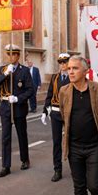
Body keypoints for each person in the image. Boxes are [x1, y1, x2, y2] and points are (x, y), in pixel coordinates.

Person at [59, 56, 98, 195]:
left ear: (85, 71)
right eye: (69, 68)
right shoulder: (64, 91)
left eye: (74, 68)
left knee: (94, 185)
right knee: (79, 186)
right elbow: (64, 115)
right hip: (74, 147)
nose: (70, 71)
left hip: (95, 146)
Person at [0, 44, 34, 177]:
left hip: (18, 107)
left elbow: (30, 90)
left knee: (21, 135)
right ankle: (6, 166)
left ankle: (25, 159)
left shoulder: (24, 70)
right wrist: (5, 74)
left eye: (13, 54)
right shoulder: (3, 69)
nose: (11, 57)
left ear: (18, 56)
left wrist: (18, 98)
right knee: (5, 137)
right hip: (6, 107)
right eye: (9, 54)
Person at [41, 53, 70, 182]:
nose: (63, 65)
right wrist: (44, 111)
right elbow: (49, 94)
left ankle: (76, 168)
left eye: (65, 62)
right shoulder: (55, 77)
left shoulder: (73, 77)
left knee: (72, 141)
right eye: (61, 63)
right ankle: (57, 169)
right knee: (56, 142)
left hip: (70, 113)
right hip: (56, 113)